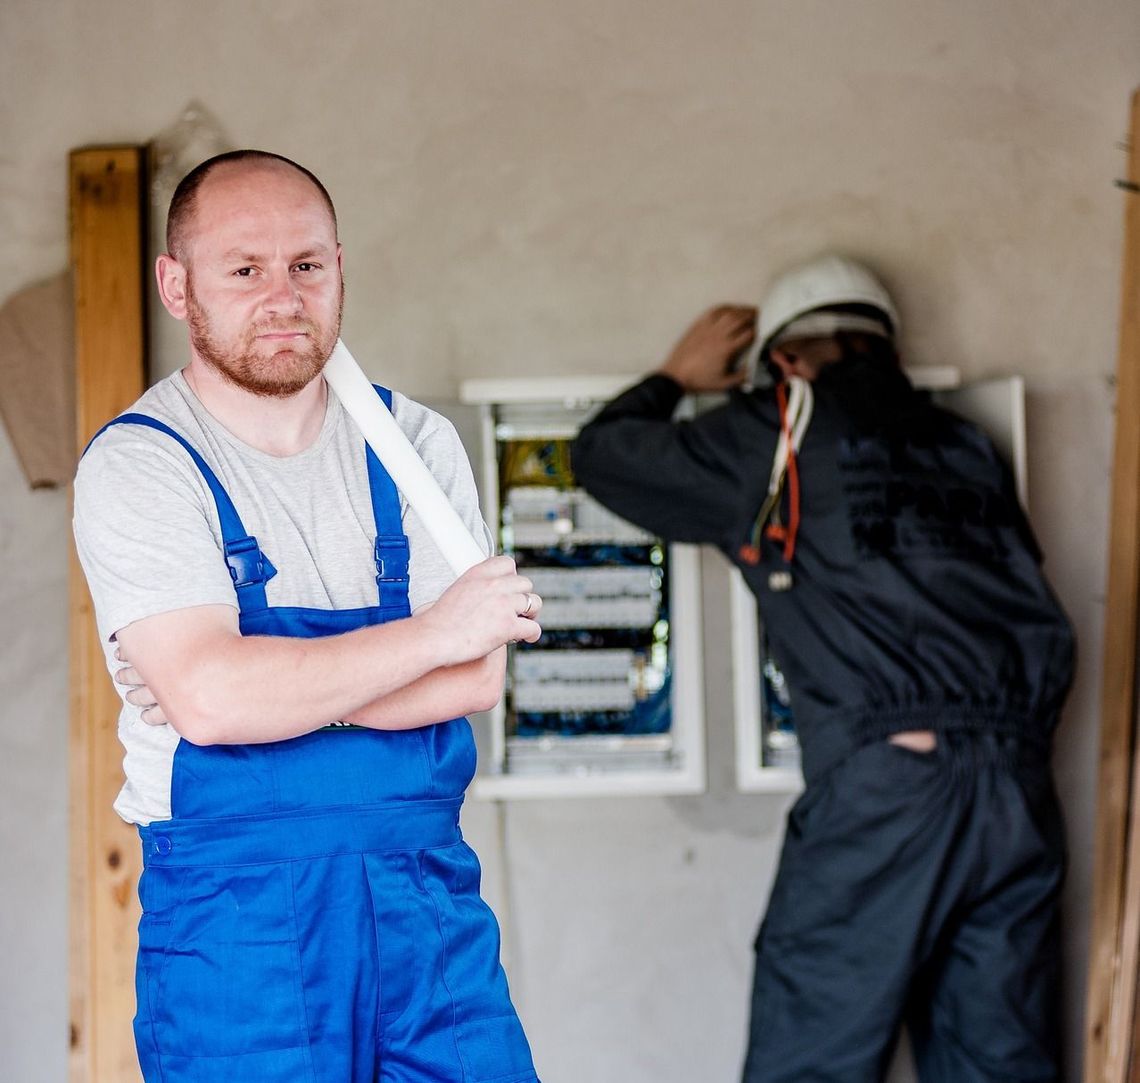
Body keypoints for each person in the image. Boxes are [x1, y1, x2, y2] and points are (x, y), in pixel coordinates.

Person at [73, 149, 544, 1083]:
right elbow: (210, 700)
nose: (282, 296)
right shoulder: (141, 465)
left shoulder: (414, 446)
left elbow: (477, 678)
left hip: (429, 912)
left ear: (340, 270)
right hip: (239, 927)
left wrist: (281, 689)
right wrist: (432, 635)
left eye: (308, 266)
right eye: (244, 269)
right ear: (177, 285)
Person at [570, 254, 1074, 1083]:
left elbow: (606, 459)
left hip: (892, 789)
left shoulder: (782, 427)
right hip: (1019, 790)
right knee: (1001, 1061)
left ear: (785, 360)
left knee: (814, 1052)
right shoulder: (962, 444)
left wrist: (672, 376)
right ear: (884, 348)